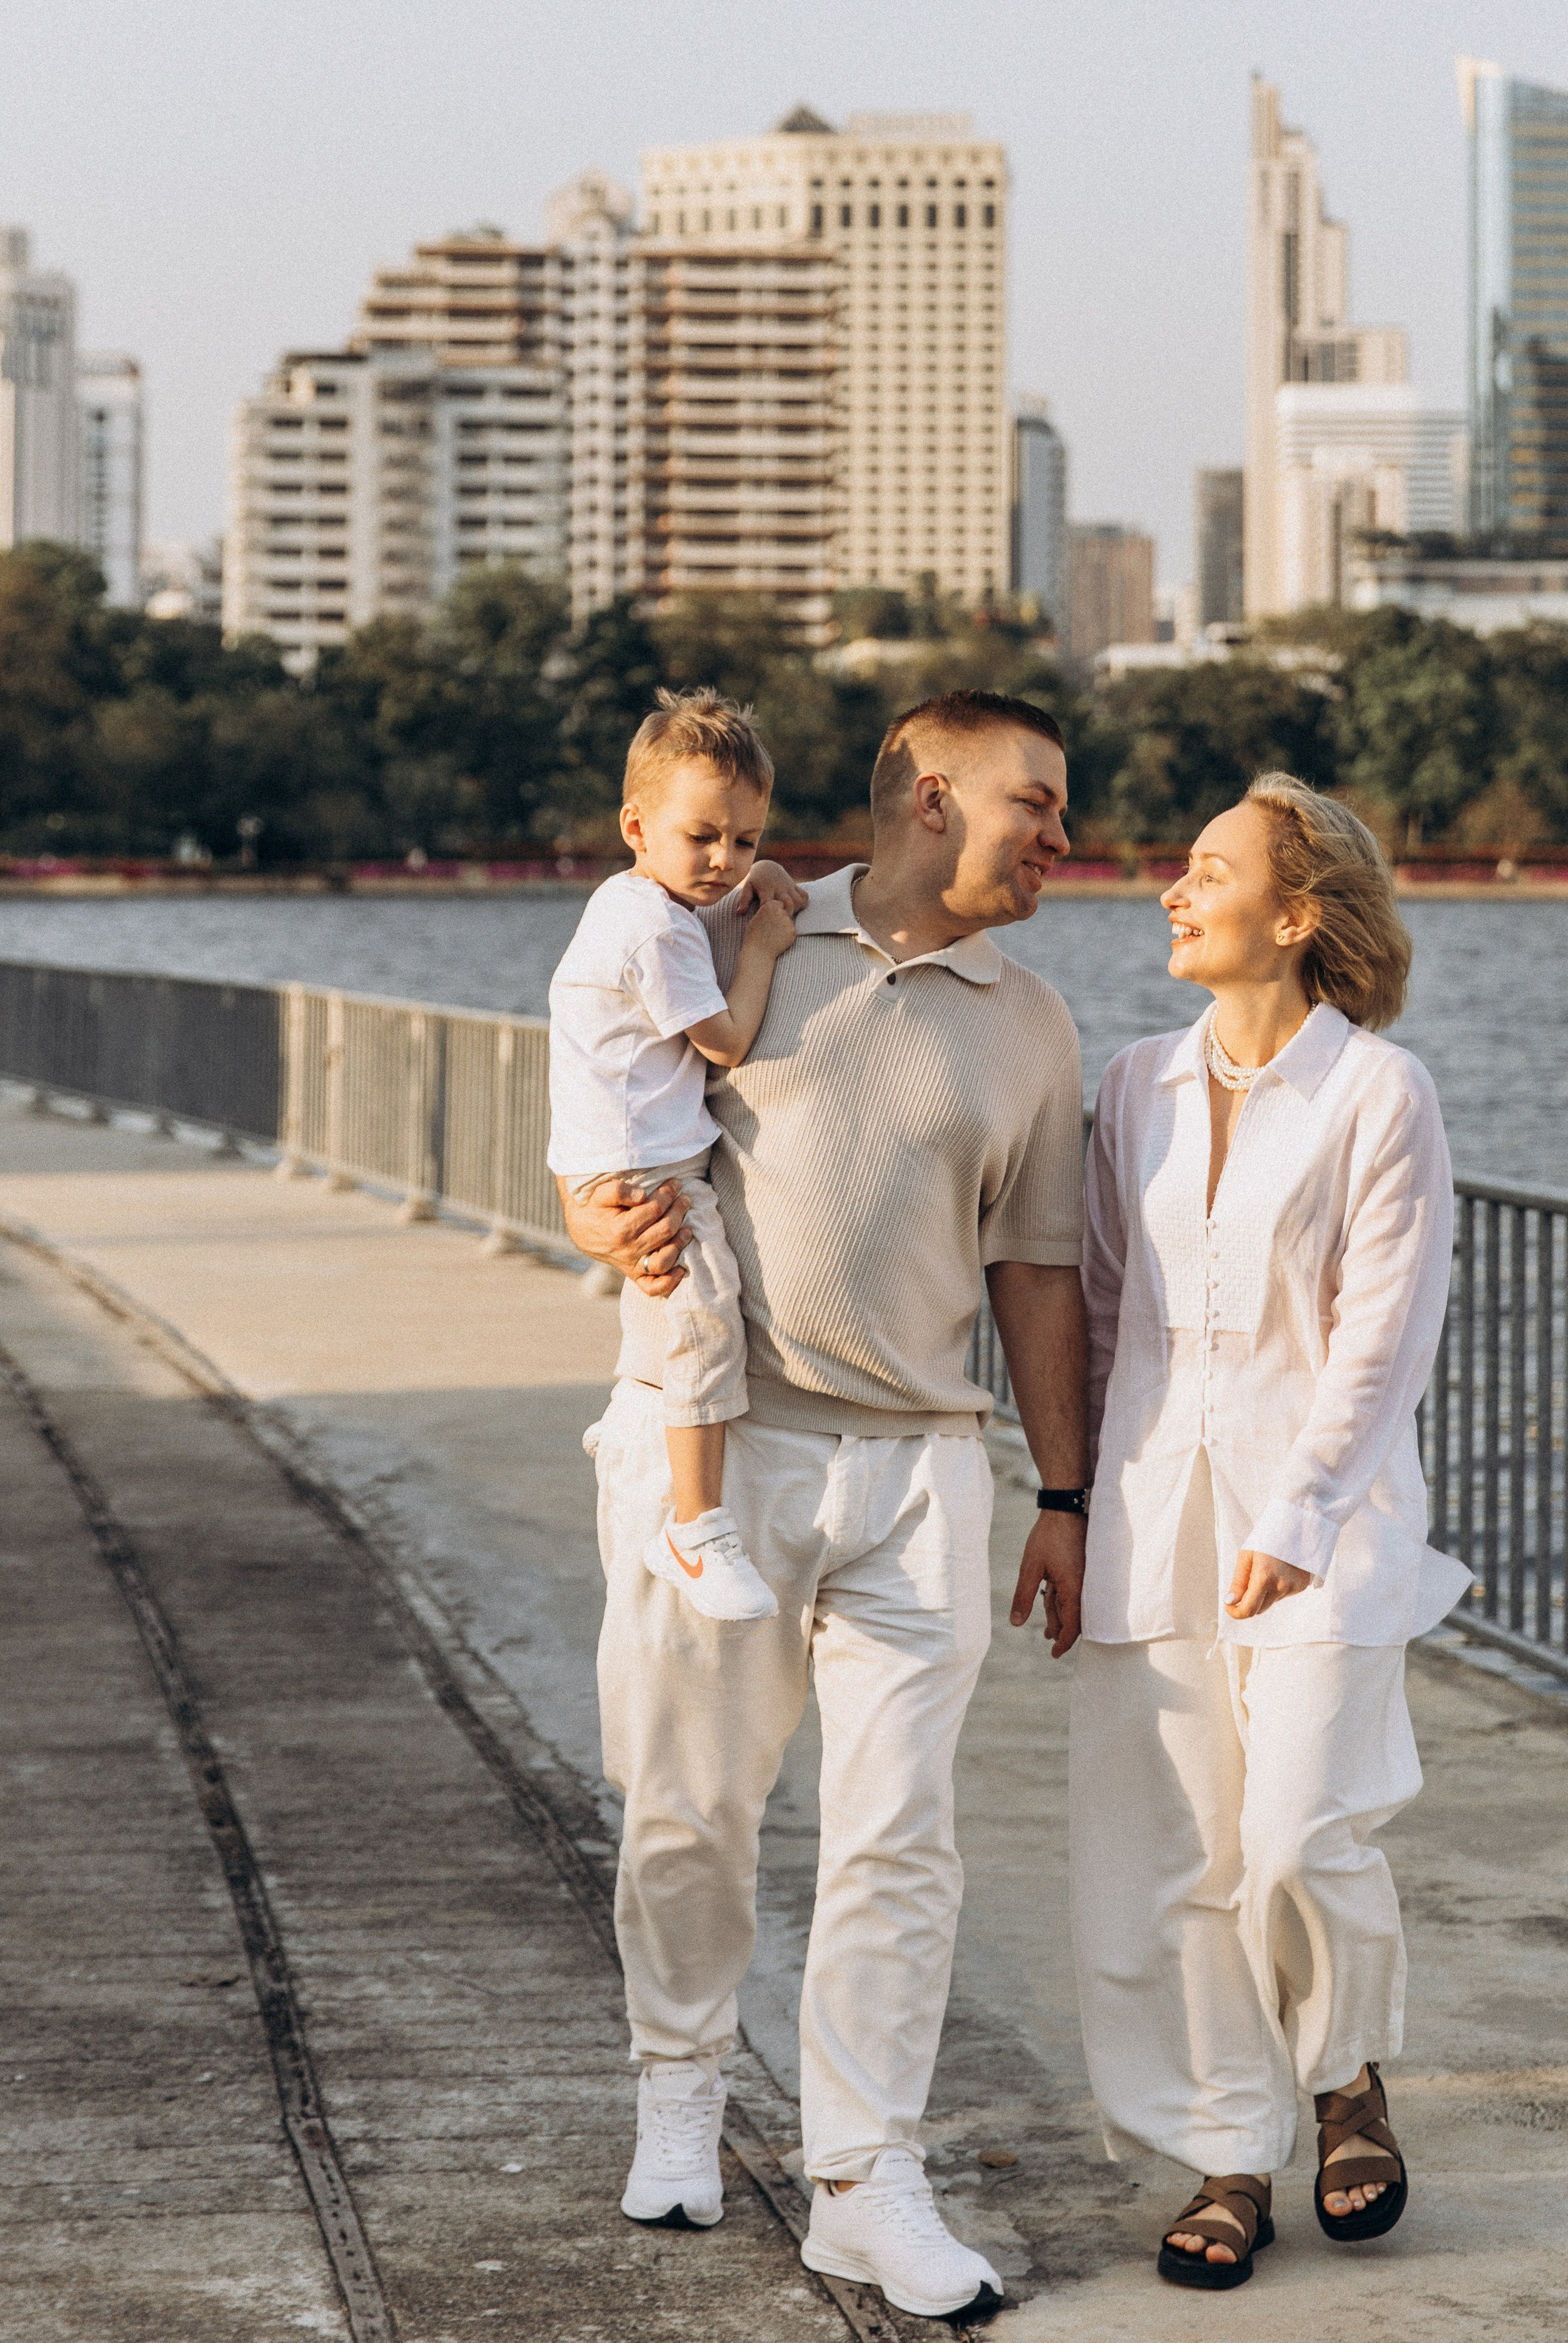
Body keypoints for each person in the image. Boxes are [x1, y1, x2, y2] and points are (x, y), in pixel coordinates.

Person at [560, 690, 1090, 2325]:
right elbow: (599, 1133)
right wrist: (594, 1223)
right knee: (686, 1810)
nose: (1063, 839)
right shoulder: (713, 932)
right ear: (931, 799)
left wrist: (1058, 1491)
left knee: (897, 1842)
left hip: (922, 1472)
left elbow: (1039, 1272)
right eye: (1038, 806)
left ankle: (866, 2181)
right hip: (712, 1442)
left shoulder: (1034, 1023)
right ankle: (680, 2094)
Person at [1070, 772, 1468, 2292]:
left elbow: (1384, 1334)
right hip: (1152, 1509)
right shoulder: (1130, 1085)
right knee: (1173, 1857)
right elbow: (1108, 1310)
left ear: (1291, 918)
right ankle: (1227, 2150)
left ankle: (1346, 2072)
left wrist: (1298, 1513)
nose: (1172, 892)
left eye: (1206, 870)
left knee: (1298, 1830)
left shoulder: (1379, 1091)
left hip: (1329, 1520)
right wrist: (1071, 1510)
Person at [548, 688, 805, 1622]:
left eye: (744, 839)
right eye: (704, 838)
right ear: (635, 825)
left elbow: (717, 916)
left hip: (620, 1154)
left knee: (685, 1323)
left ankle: (670, 1491)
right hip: (645, 1171)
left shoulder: (636, 901)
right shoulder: (656, 928)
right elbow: (728, 1040)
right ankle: (695, 1526)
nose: (724, 862)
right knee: (703, 1321)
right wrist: (771, 941)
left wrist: (754, 879)